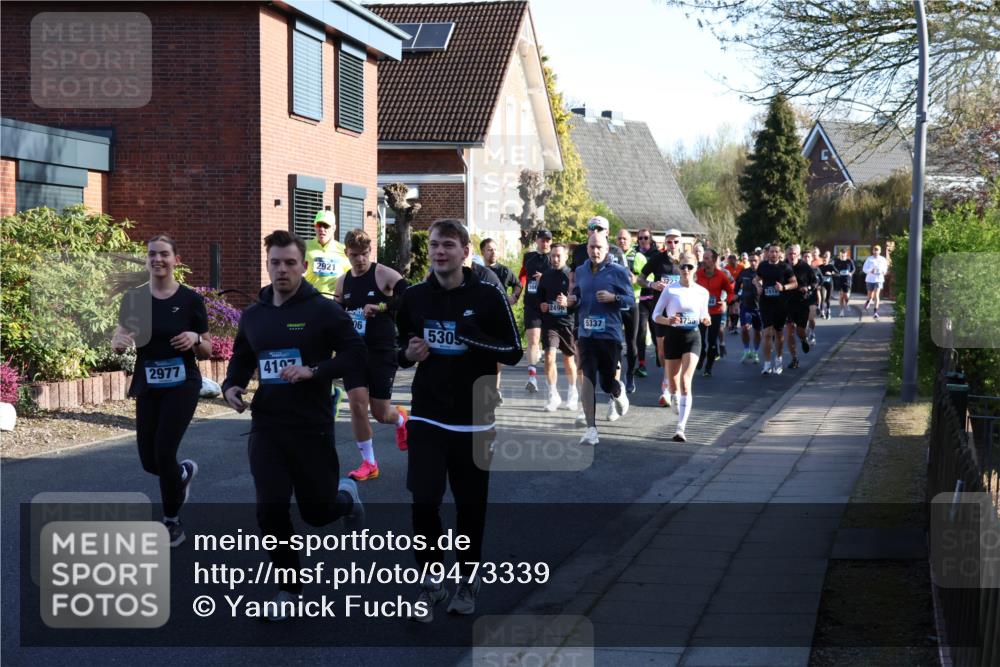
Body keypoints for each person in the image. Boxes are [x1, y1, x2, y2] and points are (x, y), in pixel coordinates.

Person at [222, 230, 366, 618]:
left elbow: (355, 353)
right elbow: (242, 357)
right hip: (267, 424)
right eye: (275, 263)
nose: (282, 270)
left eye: (290, 263)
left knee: (317, 513)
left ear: (303, 265)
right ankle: (289, 590)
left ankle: (345, 498)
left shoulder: (323, 311)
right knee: (270, 510)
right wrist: (232, 385)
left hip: (310, 425)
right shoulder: (254, 314)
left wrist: (314, 370)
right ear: (267, 265)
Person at [396, 219, 522, 622]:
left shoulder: (487, 294)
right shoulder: (414, 297)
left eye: (448, 245)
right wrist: (407, 355)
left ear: (465, 252)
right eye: (435, 244)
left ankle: (468, 580)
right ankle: (431, 581)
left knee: (470, 508)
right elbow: (398, 346)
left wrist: (473, 337)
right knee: (424, 503)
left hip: (473, 419)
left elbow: (514, 351)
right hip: (427, 415)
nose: (439, 251)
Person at [112, 234, 212, 547]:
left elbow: (208, 349)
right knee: (150, 461)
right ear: (147, 260)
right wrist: (118, 342)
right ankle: (181, 475)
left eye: (164, 254)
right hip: (149, 383)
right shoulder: (134, 298)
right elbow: (120, 334)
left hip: (183, 384)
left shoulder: (191, 300)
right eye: (152, 254)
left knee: (164, 451)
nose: (157, 259)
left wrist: (195, 339)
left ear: (176, 260)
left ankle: (171, 521)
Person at [333, 229, 410, 481]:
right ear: (347, 253)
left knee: (380, 413)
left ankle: (400, 418)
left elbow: (409, 296)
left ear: (370, 251)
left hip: (381, 350)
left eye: (365, 254)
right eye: (354, 255)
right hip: (354, 352)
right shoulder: (343, 282)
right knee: (357, 403)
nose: (360, 260)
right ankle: (369, 463)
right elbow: (336, 313)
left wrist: (382, 306)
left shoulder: (384, 274)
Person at [571, 234, 633, 446]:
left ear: (607, 249)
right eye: (591, 247)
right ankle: (591, 429)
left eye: (599, 247)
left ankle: (617, 391)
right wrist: (572, 300)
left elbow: (630, 301)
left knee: (607, 383)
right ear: (587, 248)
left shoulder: (618, 271)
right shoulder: (581, 271)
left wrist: (613, 297)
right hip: (586, 334)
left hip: (609, 335)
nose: (595, 251)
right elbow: (578, 295)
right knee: (588, 379)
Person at [652, 252, 710, 443]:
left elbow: (704, 314)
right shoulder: (670, 290)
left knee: (686, 381)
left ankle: (680, 428)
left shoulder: (702, 292)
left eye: (690, 267)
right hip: (673, 337)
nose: (686, 270)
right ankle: (675, 397)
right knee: (673, 384)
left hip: (692, 337)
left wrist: (706, 319)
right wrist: (668, 321)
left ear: (696, 268)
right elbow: (655, 315)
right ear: (678, 268)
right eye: (683, 266)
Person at [304, 210, 353, 419]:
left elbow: (352, 277)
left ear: (334, 228)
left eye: (325, 226)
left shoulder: (343, 251)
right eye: (318, 225)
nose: (321, 229)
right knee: (311, 351)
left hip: (333, 308)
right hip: (309, 306)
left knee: (328, 353)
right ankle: (330, 392)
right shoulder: (305, 247)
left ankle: (329, 393)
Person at [638, 228, 682, 405]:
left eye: (676, 242)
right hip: (661, 310)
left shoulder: (686, 261)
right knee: (662, 350)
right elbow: (640, 279)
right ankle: (667, 378)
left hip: (680, 311)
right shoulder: (657, 258)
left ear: (680, 243)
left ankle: (670, 386)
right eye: (669, 242)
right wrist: (652, 284)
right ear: (665, 242)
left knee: (677, 348)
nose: (672, 245)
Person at [536, 243, 579, 412]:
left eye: (558, 256)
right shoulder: (546, 276)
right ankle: (553, 395)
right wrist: (543, 305)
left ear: (566, 257)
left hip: (567, 323)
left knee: (568, 359)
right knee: (549, 357)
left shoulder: (572, 276)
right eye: (553, 256)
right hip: (550, 323)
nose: (555, 259)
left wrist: (568, 302)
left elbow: (579, 299)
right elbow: (539, 298)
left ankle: (572, 392)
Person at [481, 238, 520, 404]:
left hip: (499, 317)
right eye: (489, 249)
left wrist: (514, 297)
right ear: (482, 252)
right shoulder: (477, 271)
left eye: (495, 249)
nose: (493, 252)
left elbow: (518, 284)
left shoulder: (504, 271)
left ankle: (495, 389)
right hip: (481, 317)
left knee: (496, 355)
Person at [754, 243, 797, 376]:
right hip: (766, 303)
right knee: (767, 333)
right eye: (771, 251)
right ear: (768, 253)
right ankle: (767, 364)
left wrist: (783, 287)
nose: (773, 254)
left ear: (780, 253)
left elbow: (794, 283)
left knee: (778, 333)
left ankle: (778, 359)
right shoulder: (763, 266)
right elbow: (755, 279)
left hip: (780, 304)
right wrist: (758, 286)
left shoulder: (785, 267)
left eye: (776, 252)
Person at [519, 229, 552, 394]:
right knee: (533, 340)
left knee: (549, 347)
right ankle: (532, 378)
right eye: (542, 240)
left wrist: (544, 279)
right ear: (537, 241)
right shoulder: (528, 257)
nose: (545, 243)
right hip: (532, 304)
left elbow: (562, 278)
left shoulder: (554, 257)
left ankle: (550, 382)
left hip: (549, 305)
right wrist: (518, 293)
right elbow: (522, 276)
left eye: (548, 240)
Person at [694, 248, 733, 377]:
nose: (703, 261)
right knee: (700, 339)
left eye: (706, 258)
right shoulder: (698, 274)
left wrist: (726, 301)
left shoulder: (721, 276)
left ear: (714, 260)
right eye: (703, 258)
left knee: (712, 341)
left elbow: (730, 291)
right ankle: (701, 355)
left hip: (715, 312)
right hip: (700, 312)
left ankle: (709, 367)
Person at [616, 229, 646, 393]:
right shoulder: (611, 255)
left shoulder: (639, 257)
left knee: (631, 342)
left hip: (632, 303)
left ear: (631, 240)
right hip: (615, 303)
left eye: (625, 239)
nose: (622, 241)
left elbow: (649, 280)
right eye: (619, 238)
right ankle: (615, 376)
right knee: (614, 341)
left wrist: (636, 279)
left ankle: (630, 375)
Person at [783, 244, 817, 370]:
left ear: (798, 254)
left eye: (794, 254)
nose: (792, 256)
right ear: (786, 255)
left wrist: (808, 288)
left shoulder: (804, 267)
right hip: (787, 303)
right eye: (790, 254)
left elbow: (814, 282)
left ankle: (803, 340)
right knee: (790, 330)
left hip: (802, 302)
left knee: (800, 331)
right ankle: (794, 359)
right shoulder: (783, 266)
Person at [633, 229, 657, 377]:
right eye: (640, 238)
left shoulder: (656, 255)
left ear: (651, 239)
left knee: (655, 331)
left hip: (654, 298)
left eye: (646, 237)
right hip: (640, 298)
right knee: (641, 332)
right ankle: (642, 364)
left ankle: (661, 355)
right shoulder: (634, 254)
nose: (643, 240)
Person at [735, 253, 763, 362]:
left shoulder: (763, 273)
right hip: (745, 305)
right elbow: (737, 285)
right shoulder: (744, 272)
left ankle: (755, 352)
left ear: (759, 261)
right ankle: (747, 350)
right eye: (751, 260)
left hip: (759, 307)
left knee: (758, 331)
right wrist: (736, 298)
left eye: (755, 260)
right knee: (744, 328)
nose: (753, 263)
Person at [862, 244, 889, 320]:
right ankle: (868, 301)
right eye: (875, 250)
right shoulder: (869, 259)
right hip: (870, 279)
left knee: (876, 295)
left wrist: (883, 272)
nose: (876, 252)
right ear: (873, 251)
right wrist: (870, 270)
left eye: (877, 250)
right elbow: (864, 269)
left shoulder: (883, 259)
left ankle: (875, 312)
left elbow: (885, 268)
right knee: (870, 296)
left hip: (879, 279)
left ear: (880, 251)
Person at [833, 248, 856, 317]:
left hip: (847, 280)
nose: (842, 256)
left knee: (846, 295)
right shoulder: (837, 261)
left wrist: (851, 273)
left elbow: (853, 269)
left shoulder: (849, 261)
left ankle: (847, 303)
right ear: (840, 254)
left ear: (846, 255)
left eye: (844, 255)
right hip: (839, 280)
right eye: (841, 255)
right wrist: (836, 273)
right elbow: (834, 270)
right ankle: (841, 311)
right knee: (841, 296)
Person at [818, 251, 837, 319]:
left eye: (826, 259)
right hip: (822, 284)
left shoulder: (831, 266)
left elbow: (838, 274)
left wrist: (831, 273)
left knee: (827, 299)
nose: (824, 260)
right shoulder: (820, 267)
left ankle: (828, 312)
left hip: (829, 284)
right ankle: (822, 312)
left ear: (828, 260)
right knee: (822, 298)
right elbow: (817, 275)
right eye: (823, 259)